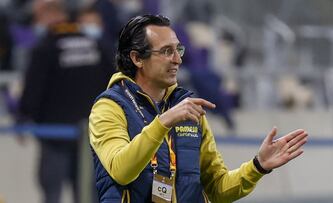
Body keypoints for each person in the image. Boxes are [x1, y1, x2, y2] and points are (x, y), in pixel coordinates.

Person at [89, 14, 308, 203]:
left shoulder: (188, 108)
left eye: (178, 49)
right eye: (166, 51)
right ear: (137, 58)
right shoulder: (109, 107)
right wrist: (163, 122)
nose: (177, 59)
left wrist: (258, 166)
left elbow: (218, 188)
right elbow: (120, 171)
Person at [17, 1, 115, 203]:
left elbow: (34, 87)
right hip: (92, 132)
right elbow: (113, 80)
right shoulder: (94, 42)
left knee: (52, 193)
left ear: (49, 17)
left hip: (55, 133)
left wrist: (24, 116)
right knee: (89, 193)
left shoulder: (46, 46)